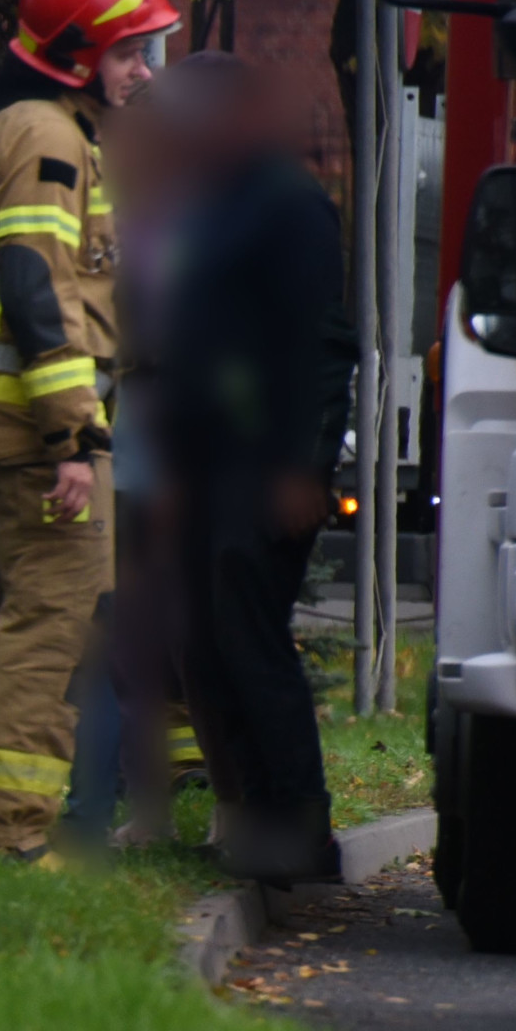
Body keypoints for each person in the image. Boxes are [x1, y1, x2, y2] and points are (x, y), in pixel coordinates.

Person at [0, 0, 180, 861]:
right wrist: (76, 436)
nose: (143, 71)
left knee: (6, 614)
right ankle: (0, 836)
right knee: (53, 621)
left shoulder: (2, 123)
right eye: (128, 54)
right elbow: (38, 289)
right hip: (32, 433)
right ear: (76, 54)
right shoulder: (49, 137)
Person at [148, 54, 353, 884]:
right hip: (209, 466)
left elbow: (321, 347)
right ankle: (256, 820)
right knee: (204, 641)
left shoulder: (288, 206)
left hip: (267, 464)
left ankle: (299, 828)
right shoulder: (212, 207)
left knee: (249, 638)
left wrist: (303, 466)